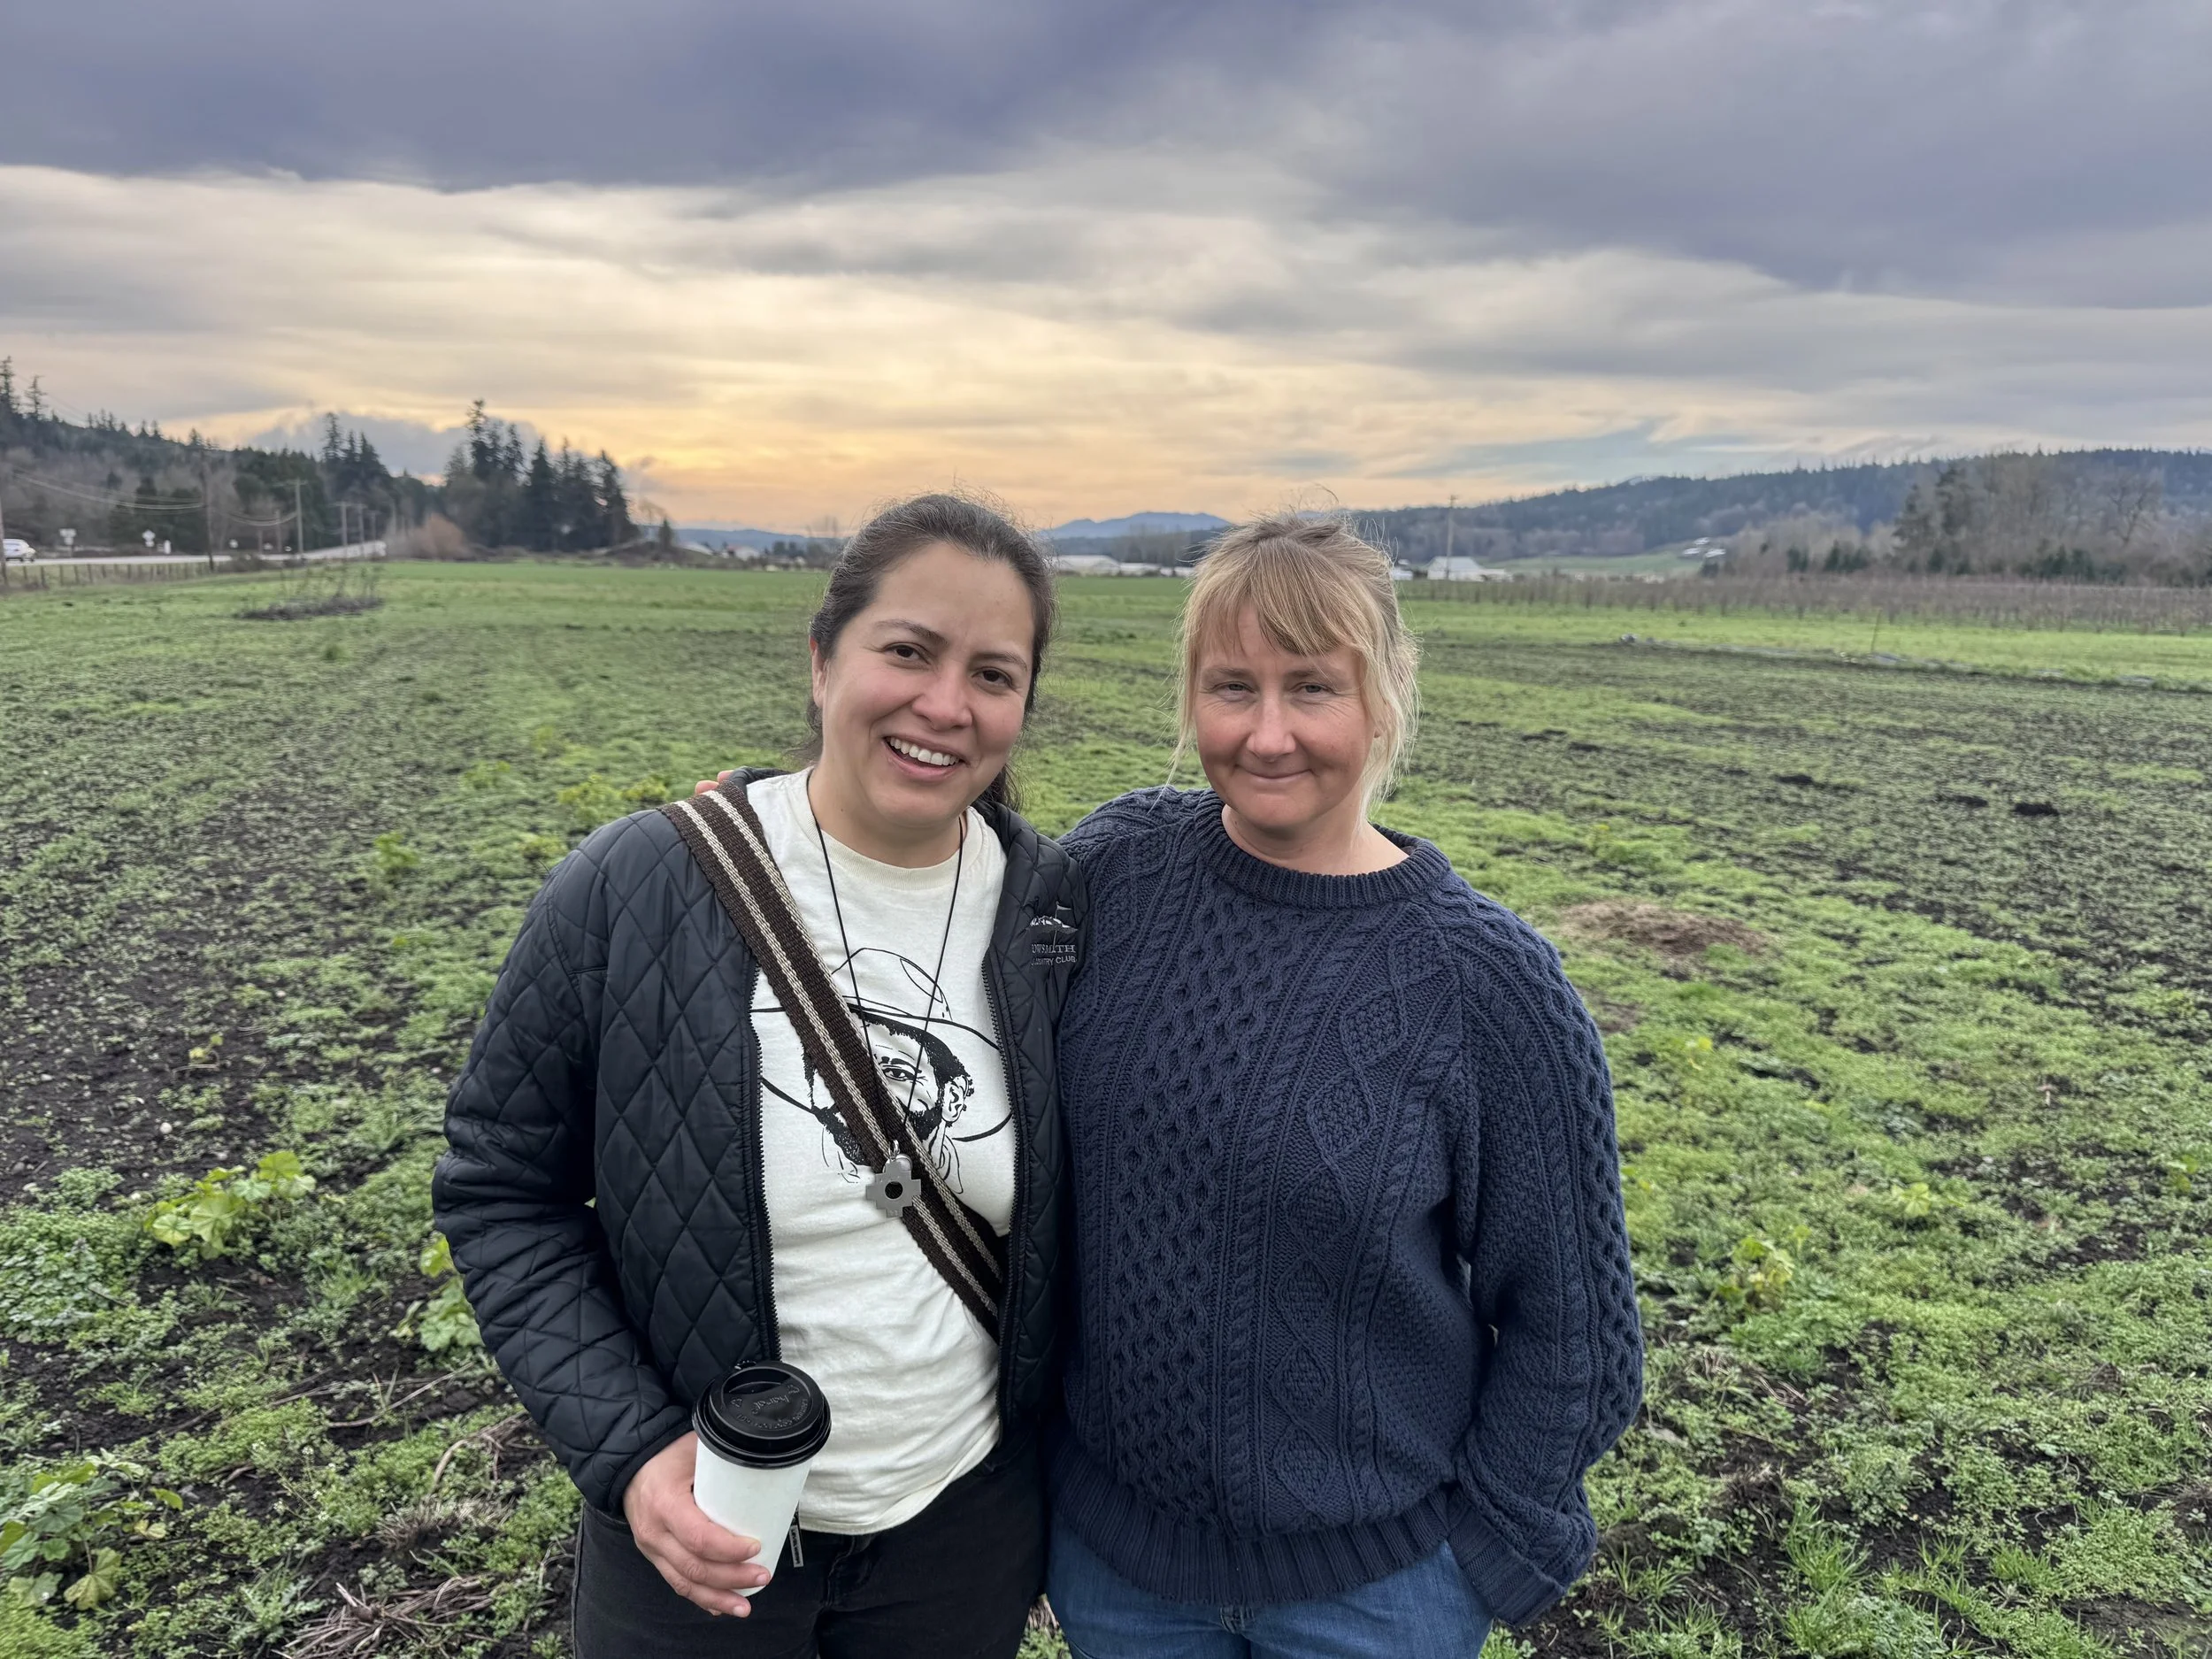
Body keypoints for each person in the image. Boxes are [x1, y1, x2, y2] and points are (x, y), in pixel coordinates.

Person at [434, 494, 1086, 1659]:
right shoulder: (634, 890)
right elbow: (500, 1193)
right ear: (824, 657)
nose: (946, 704)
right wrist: (632, 1450)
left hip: (962, 1538)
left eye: (993, 673)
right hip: (702, 1549)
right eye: (908, 650)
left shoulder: (1054, 914)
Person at [1042, 516, 1643, 1657]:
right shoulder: (1116, 872)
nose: (1267, 734)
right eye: (1233, 686)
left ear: (1386, 696)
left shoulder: (1487, 987)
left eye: (1311, 687)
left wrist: (1475, 1562)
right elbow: (936, 895)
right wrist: (794, 818)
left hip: (1377, 1595)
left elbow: (1577, 1329)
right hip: (1119, 1574)